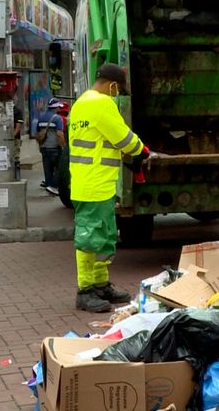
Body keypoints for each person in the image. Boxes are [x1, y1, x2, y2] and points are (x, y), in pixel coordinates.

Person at [69, 63, 150, 312]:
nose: (118, 95)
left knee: (103, 238)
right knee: (89, 239)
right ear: (113, 85)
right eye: (118, 90)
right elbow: (122, 137)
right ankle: (85, 291)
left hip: (92, 183)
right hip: (94, 184)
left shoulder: (81, 103)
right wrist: (141, 150)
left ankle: (100, 285)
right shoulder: (102, 103)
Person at [37, 98, 66, 195]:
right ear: (56, 108)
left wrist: (40, 146)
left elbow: (38, 133)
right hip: (55, 148)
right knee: (60, 168)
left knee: (47, 169)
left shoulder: (41, 117)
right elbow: (59, 134)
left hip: (44, 148)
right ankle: (53, 186)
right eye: (58, 107)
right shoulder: (57, 118)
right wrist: (64, 146)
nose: (59, 109)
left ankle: (49, 186)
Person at [13, 103, 24, 180]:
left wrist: (12, 136)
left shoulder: (17, 111)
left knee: (15, 156)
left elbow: (18, 126)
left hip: (15, 139)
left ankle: (16, 176)